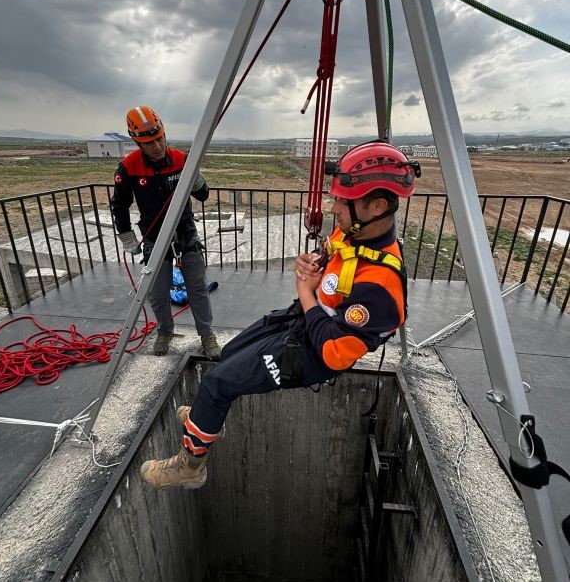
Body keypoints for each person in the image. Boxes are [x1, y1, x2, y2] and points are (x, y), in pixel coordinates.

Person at [139, 141, 421, 489]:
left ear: (376, 206)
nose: (334, 208)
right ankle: (209, 420)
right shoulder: (356, 234)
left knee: (216, 384)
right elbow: (333, 254)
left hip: (314, 353)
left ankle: (190, 465)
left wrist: (306, 292)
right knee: (228, 356)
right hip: (305, 324)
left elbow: (334, 354)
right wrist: (313, 262)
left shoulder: (381, 285)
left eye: (343, 203)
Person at [111, 105, 221, 360]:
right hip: (154, 237)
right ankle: (165, 331)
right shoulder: (129, 167)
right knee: (158, 292)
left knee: (197, 287)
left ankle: (206, 334)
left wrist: (194, 174)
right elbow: (120, 204)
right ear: (137, 142)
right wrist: (127, 237)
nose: (157, 147)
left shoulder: (183, 160)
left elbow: (203, 195)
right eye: (150, 143)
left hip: (184, 232)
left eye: (160, 139)